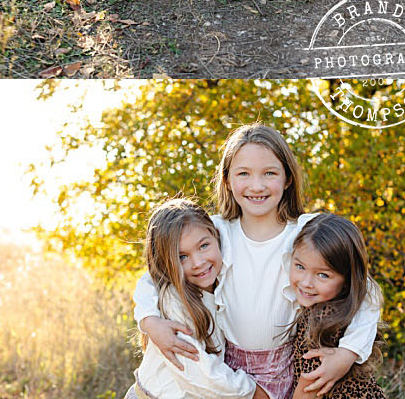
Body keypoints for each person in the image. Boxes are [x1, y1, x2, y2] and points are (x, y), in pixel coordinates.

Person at [134, 125, 382, 399]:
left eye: (270, 173)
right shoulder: (216, 233)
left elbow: (365, 290)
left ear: (287, 178)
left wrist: (348, 353)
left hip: (284, 369)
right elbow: (154, 277)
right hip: (231, 369)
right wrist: (149, 321)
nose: (257, 186)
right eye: (243, 174)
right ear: (227, 179)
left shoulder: (305, 233)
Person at [126, 198, 270, 399]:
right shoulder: (173, 302)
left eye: (203, 246)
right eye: (181, 257)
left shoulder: (224, 276)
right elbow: (201, 375)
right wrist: (252, 391)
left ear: (215, 236)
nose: (198, 262)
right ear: (166, 263)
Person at [288, 215, 388, 399]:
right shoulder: (347, 308)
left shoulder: (323, 317)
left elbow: (311, 384)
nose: (306, 282)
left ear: (347, 280)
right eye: (300, 266)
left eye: (323, 275)